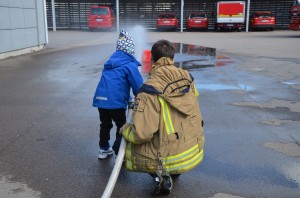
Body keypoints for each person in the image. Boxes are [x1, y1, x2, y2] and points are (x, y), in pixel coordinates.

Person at [120, 40, 205, 195]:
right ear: (172, 58)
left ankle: (162, 175)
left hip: (166, 155)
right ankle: (175, 171)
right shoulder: (188, 77)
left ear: (153, 60)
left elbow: (142, 134)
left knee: (136, 135)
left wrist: (125, 130)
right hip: (191, 147)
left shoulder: (149, 89)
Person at [92, 30, 143, 159]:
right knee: (121, 126)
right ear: (131, 50)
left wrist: (129, 97)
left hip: (101, 100)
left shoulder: (110, 63)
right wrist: (139, 97)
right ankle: (119, 153)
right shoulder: (130, 65)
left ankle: (103, 149)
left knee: (105, 124)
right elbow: (137, 85)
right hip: (115, 102)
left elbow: (115, 85)